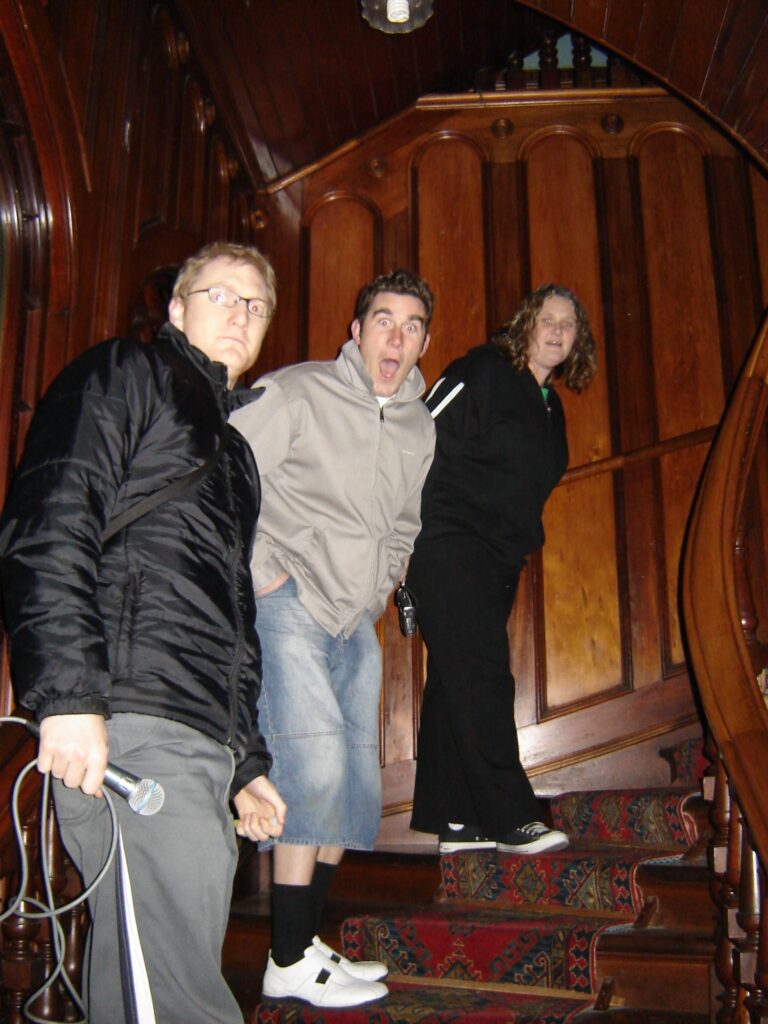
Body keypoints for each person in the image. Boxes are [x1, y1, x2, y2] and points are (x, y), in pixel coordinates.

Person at [0, 241, 287, 1024]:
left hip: (195, 742)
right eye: (222, 295)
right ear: (176, 307)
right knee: (178, 997)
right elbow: (52, 522)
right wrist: (68, 698)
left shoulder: (233, 455)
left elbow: (229, 619)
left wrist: (245, 763)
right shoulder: (124, 375)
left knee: (154, 985)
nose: (241, 314)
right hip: (132, 727)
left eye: (255, 304)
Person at [229, 268, 436, 1008]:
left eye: (412, 326)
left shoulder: (420, 425)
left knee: (351, 790)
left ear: (423, 343)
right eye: (384, 319)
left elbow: (405, 524)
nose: (396, 336)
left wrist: (381, 585)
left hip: (358, 617)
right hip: (289, 601)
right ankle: (285, 959)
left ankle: (305, 940)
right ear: (357, 330)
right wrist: (262, 573)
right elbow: (226, 466)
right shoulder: (299, 391)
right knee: (308, 769)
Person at [407, 283, 597, 856]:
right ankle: (512, 815)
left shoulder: (549, 407)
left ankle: (457, 820)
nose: (558, 331)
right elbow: (416, 430)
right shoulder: (484, 370)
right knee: (485, 675)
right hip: (448, 541)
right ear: (526, 323)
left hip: (499, 556)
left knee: (454, 679)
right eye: (548, 319)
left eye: (570, 325)